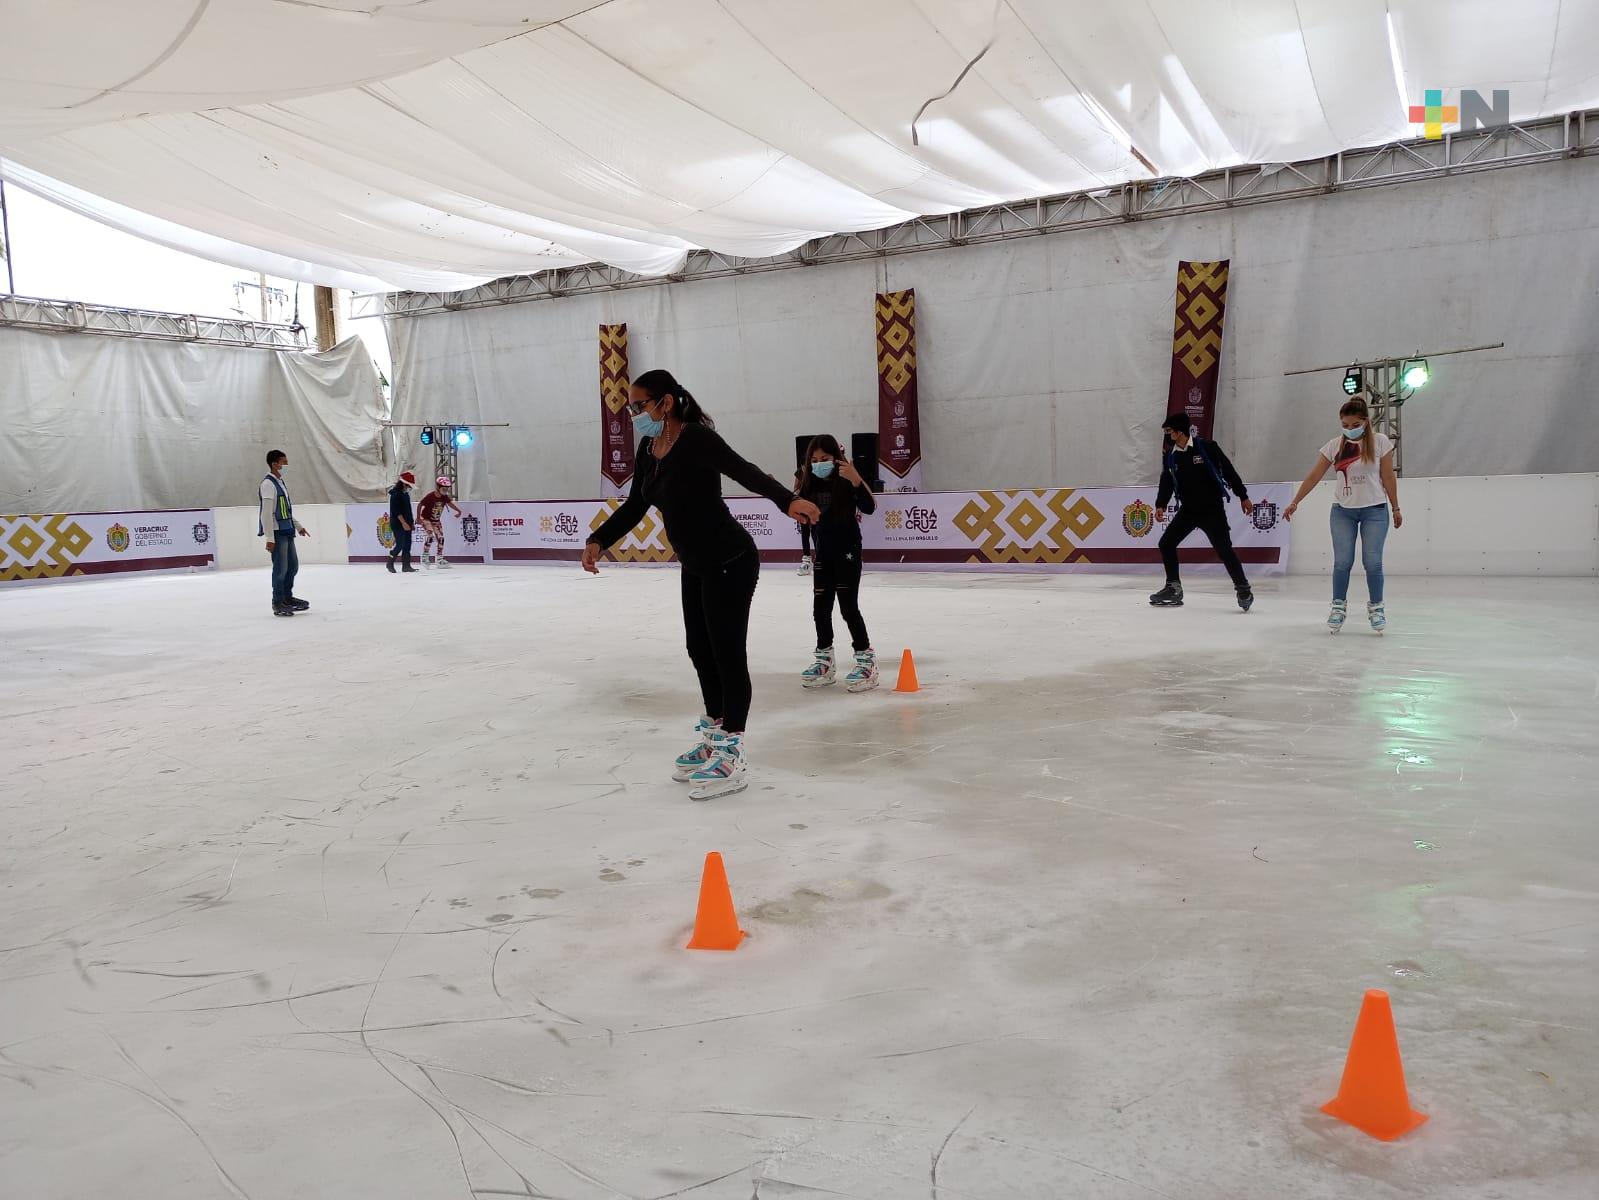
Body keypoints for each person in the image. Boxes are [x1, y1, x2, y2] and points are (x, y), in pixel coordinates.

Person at [582, 369, 821, 801]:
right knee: (699, 648)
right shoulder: (648, 449)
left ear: (665, 402)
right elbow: (637, 504)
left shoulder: (697, 439)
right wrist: (599, 540)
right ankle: (714, 732)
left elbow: (745, 471)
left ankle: (733, 751)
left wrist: (789, 500)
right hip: (695, 565)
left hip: (731, 559)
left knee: (727, 653)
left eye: (639, 406)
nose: (634, 414)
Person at [1283, 396, 1402, 634]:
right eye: (1345, 425)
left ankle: (1376, 608)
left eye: (1354, 425)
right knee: (1342, 562)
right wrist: (1295, 501)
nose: (1349, 430)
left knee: (1372, 562)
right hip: (1342, 512)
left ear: (1365, 422)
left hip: (1375, 510)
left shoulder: (1380, 442)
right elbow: (1314, 475)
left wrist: (1395, 506)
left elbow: (1388, 476)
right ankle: (1338, 606)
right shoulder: (1334, 446)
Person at [796, 435, 879, 692]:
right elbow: (805, 523)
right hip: (824, 555)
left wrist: (856, 480)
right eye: (815, 460)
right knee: (820, 608)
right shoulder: (809, 486)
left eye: (825, 459)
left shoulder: (847, 481)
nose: (819, 464)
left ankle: (866, 661)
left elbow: (870, 507)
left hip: (848, 553)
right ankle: (824, 661)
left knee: (848, 607)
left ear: (836, 459)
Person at [1151, 414, 1255, 611]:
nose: (1167, 434)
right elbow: (1166, 480)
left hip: (1212, 510)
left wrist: (1243, 496)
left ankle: (1243, 588)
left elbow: (1229, 472)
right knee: (1166, 543)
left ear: (1179, 431)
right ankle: (1173, 587)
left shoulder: (1207, 448)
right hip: (1188, 510)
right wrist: (1161, 504)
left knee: (1224, 550)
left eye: (1169, 430)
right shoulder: (1171, 455)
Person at [259, 449, 310, 617]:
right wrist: (269, 537)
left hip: (287, 530)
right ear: (274, 464)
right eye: (283, 462)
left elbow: (285, 510)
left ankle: (287, 597)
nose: (286, 465)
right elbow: (266, 513)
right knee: (280, 569)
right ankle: (278, 601)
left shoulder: (280, 482)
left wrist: (298, 526)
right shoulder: (268, 484)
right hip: (277, 533)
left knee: (292, 566)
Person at [416, 476, 463, 568]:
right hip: (426, 519)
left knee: (441, 538)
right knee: (430, 537)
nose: (445, 490)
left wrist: (458, 511)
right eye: (444, 488)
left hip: (436, 521)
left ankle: (439, 558)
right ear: (438, 487)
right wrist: (418, 518)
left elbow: (450, 503)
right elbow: (420, 505)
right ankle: (425, 557)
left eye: (447, 489)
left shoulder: (444, 497)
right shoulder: (430, 496)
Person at [387, 470, 417, 573]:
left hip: (407, 523)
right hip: (398, 524)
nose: (410, 488)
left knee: (407, 544)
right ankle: (390, 562)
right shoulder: (395, 494)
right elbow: (397, 511)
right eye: (409, 485)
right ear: (404, 483)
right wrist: (404, 523)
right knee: (400, 544)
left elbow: (408, 510)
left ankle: (406, 566)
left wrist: (411, 523)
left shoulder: (405, 494)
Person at [793, 466, 814, 576]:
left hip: (816, 506)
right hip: (803, 507)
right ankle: (807, 560)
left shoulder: (815, 471)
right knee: (805, 533)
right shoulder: (800, 473)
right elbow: (795, 489)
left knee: (817, 533)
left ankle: (821, 559)